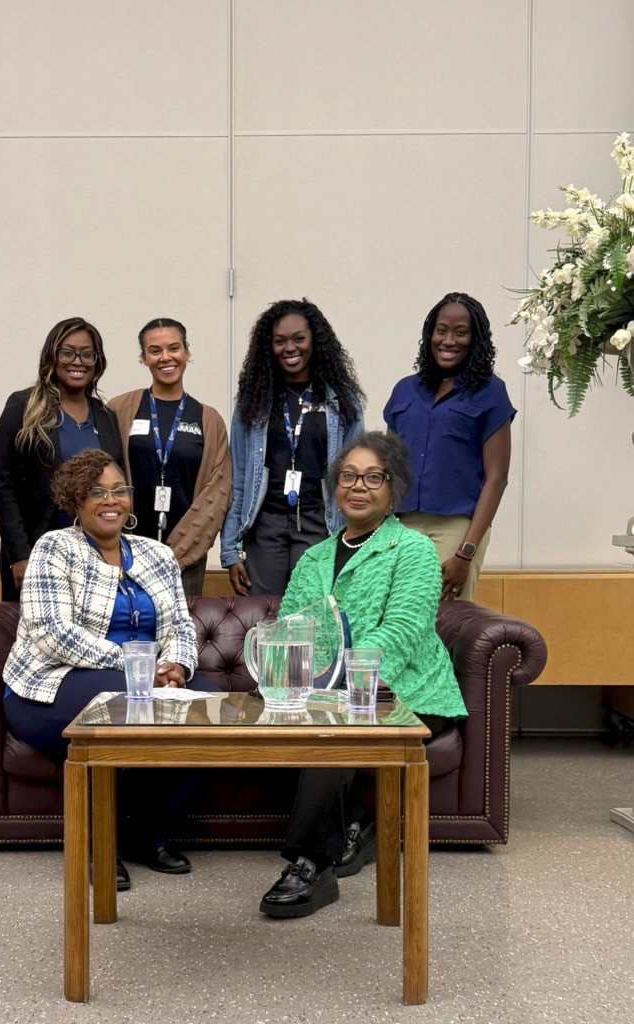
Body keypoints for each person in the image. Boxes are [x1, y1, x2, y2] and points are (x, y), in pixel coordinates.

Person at [258, 432, 467, 918]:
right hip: (330, 693)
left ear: (393, 488)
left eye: (374, 477)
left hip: (408, 692)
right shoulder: (313, 557)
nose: (358, 486)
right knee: (309, 722)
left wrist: (338, 683)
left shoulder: (412, 549)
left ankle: (311, 866)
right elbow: (291, 628)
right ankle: (356, 823)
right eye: (349, 476)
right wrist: (289, 682)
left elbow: (404, 629)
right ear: (335, 486)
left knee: (333, 732)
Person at [2, 449, 222, 890]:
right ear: (76, 499)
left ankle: (146, 831)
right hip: (51, 682)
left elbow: (181, 623)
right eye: (97, 492)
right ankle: (99, 842)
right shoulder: (55, 548)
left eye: (119, 491)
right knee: (119, 703)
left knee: (213, 709)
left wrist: (177, 666)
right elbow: (51, 632)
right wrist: (138, 667)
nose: (111, 501)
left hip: (145, 680)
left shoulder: (156, 553)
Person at [221, 298, 365, 597]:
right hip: (264, 527)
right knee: (265, 613)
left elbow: (354, 478)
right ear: (268, 346)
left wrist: (354, 539)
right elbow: (239, 479)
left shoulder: (342, 401)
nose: (290, 348)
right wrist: (231, 550)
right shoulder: (253, 400)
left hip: (319, 524)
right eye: (280, 341)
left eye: (299, 339)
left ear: (315, 341)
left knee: (311, 613)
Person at [383, 292, 516, 601]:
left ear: (475, 339)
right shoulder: (404, 390)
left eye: (460, 332)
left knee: (447, 619)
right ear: (429, 334)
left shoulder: (491, 392)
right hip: (401, 527)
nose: (448, 340)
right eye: (441, 330)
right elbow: (387, 470)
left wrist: (465, 552)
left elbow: (497, 479)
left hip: (456, 529)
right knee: (398, 616)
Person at [0, 317, 124, 601]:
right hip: (36, 555)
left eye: (87, 354)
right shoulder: (23, 407)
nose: (78, 361)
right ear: (52, 356)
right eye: (68, 352)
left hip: (95, 557)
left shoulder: (106, 416)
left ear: (97, 362)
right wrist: (19, 555)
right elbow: (2, 487)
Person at [110, 318, 231, 597]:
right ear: (144, 358)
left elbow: (219, 492)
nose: (166, 357)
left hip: (186, 557)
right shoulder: (120, 409)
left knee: (181, 624)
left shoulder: (209, 420)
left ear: (187, 352)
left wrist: (178, 553)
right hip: (124, 552)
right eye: (155, 351)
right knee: (126, 622)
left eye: (174, 348)